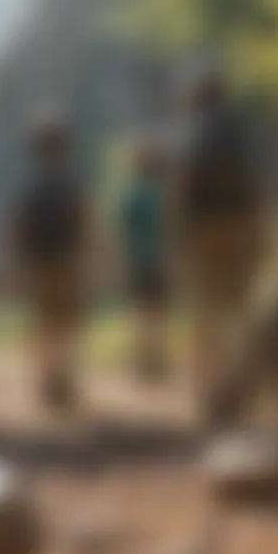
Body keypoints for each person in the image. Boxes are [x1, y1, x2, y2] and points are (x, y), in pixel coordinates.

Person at [169, 64, 268, 425]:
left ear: (196, 98)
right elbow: (257, 183)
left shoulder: (195, 133)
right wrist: (261, 229)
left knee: (207, 308)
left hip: (205, 229)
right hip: (240, 225)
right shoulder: (239, 131)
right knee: (240, 306)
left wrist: (178, 231)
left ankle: (211, 390)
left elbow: (185, 185)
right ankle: (241, 384)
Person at [12, 112, 89, 412]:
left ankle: (46, 377)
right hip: (66, 259)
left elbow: (19, 227)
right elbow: (81, 220)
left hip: (39, 261)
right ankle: (64, 377)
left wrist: (18, 262)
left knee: (43, 322)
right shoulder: (71, 182)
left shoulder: (31, 186)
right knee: (66, 322)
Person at [119, 136, 170, 381]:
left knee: (139, 311)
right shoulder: (160, 194)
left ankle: (142, 360)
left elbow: (123, 229)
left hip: (137, 260)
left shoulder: (131, 194)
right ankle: (155, 359)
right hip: (158, 259)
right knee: (157, 312)